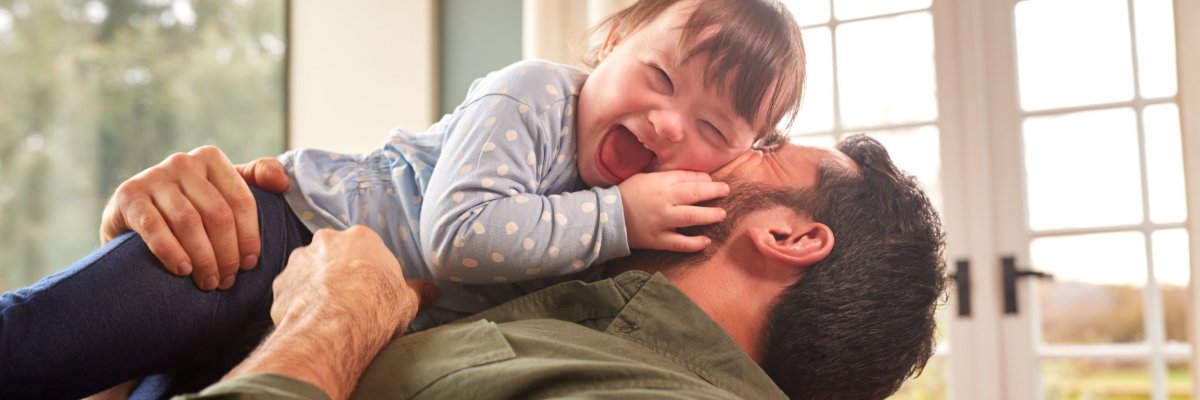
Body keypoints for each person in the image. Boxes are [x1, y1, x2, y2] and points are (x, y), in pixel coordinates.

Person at [1, 0, 805, 397]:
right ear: (612, 43)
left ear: (739, 156)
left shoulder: (638, 224)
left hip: (324, 326)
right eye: (658, 78)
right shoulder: (533, 96)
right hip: (278, 236)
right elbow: (458, 236)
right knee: (42, 343)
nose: (667, 123)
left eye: (711, 126)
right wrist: (616, 216)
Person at [177, 136, 948, 400]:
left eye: (769, 146)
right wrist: (182, 246)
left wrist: (329, 326)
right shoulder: (555, 315)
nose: (717, 143)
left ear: (786, 236)